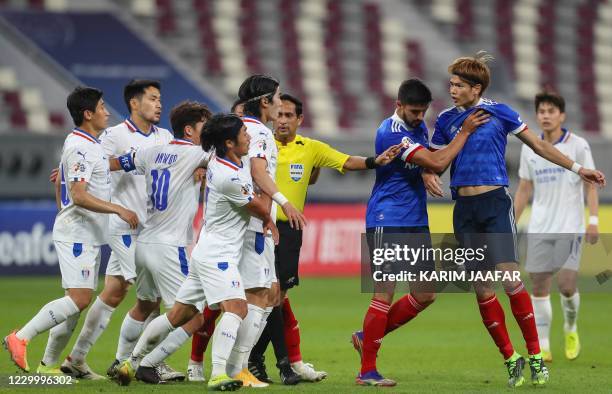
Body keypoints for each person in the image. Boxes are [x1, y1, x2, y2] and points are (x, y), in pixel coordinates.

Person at [430, 52, 605, 387]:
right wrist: (427, 172)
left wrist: (578, 169)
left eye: (458, 85)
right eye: (451, 83)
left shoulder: (500, 112)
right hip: (463, 211)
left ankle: (537, 357)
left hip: (495, 204)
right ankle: (511, 359)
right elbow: (434, 158)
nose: (451, 89)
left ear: (475, 88)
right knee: (482, 289)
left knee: (510, 280)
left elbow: (539, 146)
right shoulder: (447, 120)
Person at [247, 93, 401, 384]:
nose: (282, 120)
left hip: (289, 231)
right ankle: (271, 362)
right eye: (279, 114)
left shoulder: (310, 148)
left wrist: (374, 161)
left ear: (299, 119)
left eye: (288, 116)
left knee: (276, 297)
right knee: (267, 297)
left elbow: (345, 161)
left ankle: (261, 359)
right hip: (257, 226)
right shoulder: (259, 142)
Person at [116, 114, 279, 390]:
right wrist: (271, 217)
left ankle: (134, 362)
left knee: (178, 313)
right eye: (243, 133)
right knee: (237, 308)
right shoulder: (229, 176)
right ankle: (218, 374)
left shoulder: (221, 160)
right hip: (219, 254)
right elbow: (259, 207)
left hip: (205, 250)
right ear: (229, 143)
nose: (249, 136)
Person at [352, 78, 487, 386]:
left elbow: (432, 164)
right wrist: (464, 131)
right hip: (388, 217)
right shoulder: (392, 132)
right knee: (384, 292)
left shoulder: (417, 128)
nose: (419, 117)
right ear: (398, 105)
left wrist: (426, 170)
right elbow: (439, 159)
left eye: (423, 112)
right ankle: (367, 371)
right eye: (414, 111)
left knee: (426, 293)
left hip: (415, 218)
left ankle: (366, 336)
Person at [3, 86, 138, 374]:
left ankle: (48, 366)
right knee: (79, 299)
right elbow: (78, 195)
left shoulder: (88, 144)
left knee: (74, 305)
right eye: (101, 106)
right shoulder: (80, 146)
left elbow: (69, 182)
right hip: (77, 234)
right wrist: (118, 209)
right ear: (88, 114)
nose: (106, 111)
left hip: (86, 234)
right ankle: (20, 337)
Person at [55, 80, 182, 381]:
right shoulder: (114, 135)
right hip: (124, 223)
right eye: (152, 99)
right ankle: (90, 358)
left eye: (160, 99)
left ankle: (122, 361)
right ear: (135, 104)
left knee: (144, 299)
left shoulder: (165, 136)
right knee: (120, 290)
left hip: (154, 227)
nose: (159, 104)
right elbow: (92, 163)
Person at [107, 101, 212, 384]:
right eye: (205, 126)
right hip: (171, 246)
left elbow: (114, 163)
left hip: (144, 242)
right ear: (189, 130)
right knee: (193, 317)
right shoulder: (199, 153)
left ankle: (120, 360)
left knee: (144, 305)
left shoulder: (151, 151)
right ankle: (143, 363)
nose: (210, 131)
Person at [514, 91, 599, 362]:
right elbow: (524, 189)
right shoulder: (530, 147)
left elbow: (590, 183)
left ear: (561, 115)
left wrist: (593, 220)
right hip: (539, 227)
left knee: (565, 284)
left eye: (551, 111)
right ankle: (544, 344)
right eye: (542, 112)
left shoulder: (578, 145)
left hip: (570, 226)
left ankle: (571, 327)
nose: (546, 116)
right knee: (539, 287)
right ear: (537, 116)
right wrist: (511, 223)